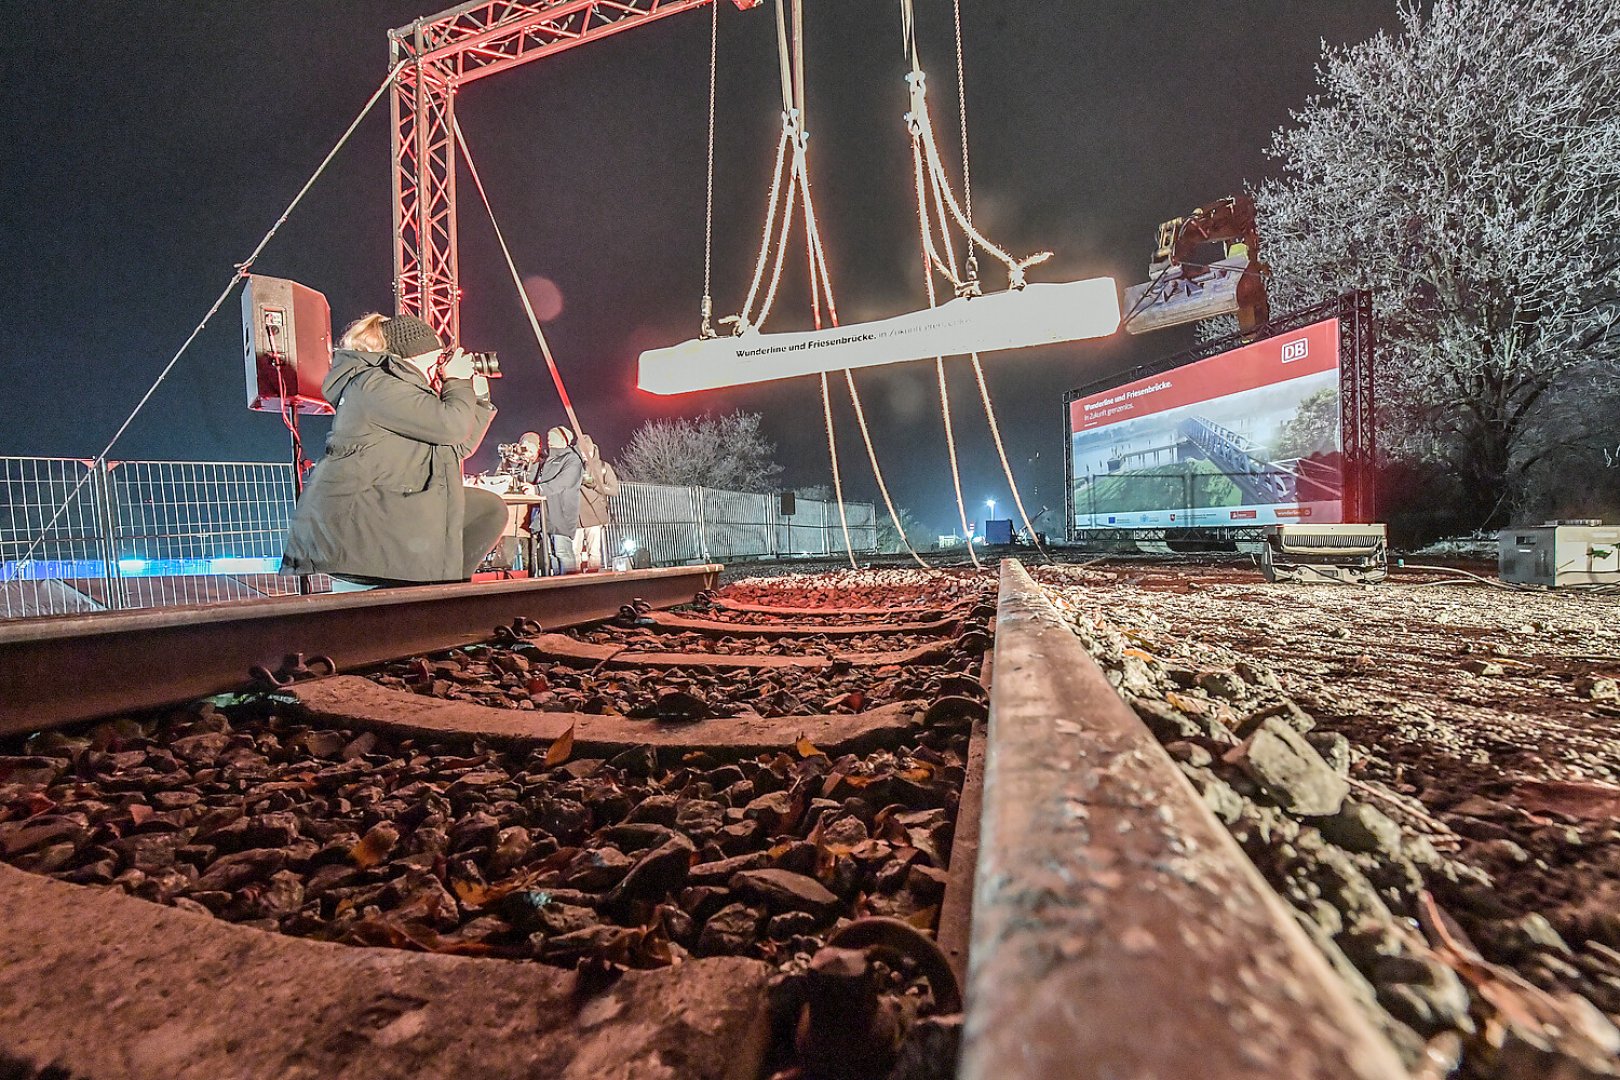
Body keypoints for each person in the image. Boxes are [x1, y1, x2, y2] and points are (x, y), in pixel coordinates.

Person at [281, 313, 507, 589]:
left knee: (488, 509)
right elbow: (451, 427)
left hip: (388, 503)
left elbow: (457, 446)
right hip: (364, 520)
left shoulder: (404, 391)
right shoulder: (375, 385)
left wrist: (480, 400)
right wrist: (456, 383)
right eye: (438, 357)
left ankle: (447, 592)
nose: (441, 366)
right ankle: (435, 594)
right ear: (412, 357)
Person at [528, 425, 584, 574]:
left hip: (561, 512)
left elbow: (563, 481)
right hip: (545, 512)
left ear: (564, 439)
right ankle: (556, 586)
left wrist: (538, 490)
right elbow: (533, 478)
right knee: (551, 553)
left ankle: (572, 588)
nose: (549, 440)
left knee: (562, 552)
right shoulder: (546, 460)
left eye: (553, 437)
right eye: (548, 437)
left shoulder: (572, 459)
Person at [574, 434, 621, 571]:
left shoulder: (603, 466)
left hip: (595, 515)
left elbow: (614, 490)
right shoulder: (572, 466)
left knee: (594, 552)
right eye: (581, 452)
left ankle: (594, 580)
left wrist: (595, 484)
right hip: (575, 516)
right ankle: (573, 582)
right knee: (573, 552)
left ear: (592, 450)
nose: (584, 455)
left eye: (586, 451)